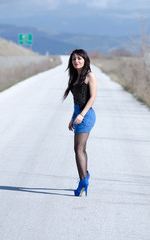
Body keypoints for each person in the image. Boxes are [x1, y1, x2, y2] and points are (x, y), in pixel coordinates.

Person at [63, 49, 97, 197]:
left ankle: (83, 180)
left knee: (79, 149)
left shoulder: (90, 75)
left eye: (79, 58)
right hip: (78, 113)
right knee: (79, 149)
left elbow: (92, 97)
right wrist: (73, 117)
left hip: (87, 114)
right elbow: (76, 100)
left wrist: (82, 115)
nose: (76, 61)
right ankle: (84, 178)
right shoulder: (74, 77)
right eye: (74, 59)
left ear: (85, 60)